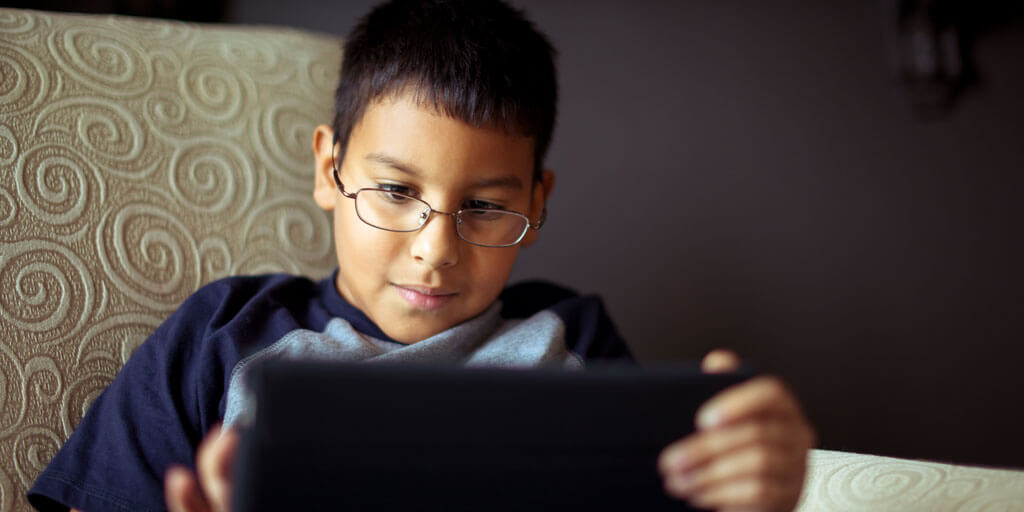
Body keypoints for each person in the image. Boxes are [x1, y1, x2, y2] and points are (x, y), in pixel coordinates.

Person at [28, 1, 816, 511]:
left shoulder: (575, 343)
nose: (436, 251)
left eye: (484, 206)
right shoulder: (223, 334)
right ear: (327, 168)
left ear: (537, 203)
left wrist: (749, 496)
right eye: (397, 192)